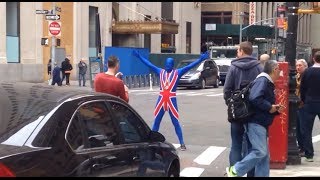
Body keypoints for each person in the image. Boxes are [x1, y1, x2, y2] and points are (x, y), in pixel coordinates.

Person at [133, 50, 209, 151]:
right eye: (166, 64)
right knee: (157, 121)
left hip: (171, 100)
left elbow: (190, 66)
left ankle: (182, 143)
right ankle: (151, 142)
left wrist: (200, 59)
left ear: (172, 65)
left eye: (169, 64)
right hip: (161, 100)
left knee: (175, 122)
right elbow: (149, 64)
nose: (167, 65)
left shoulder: (177, 73)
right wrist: (139, 57)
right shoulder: (161, 72)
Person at [226, 60, 284, 177]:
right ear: (275, 69)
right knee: (260, 151)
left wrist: (274, 109)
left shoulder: (264, 81)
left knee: (264, 156)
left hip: (259, 122)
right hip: (256, 122)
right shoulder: (263, 80)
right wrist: (269, 107)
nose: (280, 73)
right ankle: (235, 170)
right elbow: (254, 98)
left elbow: (259, 100)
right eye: (279, 69)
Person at [223, 41, 263, 176]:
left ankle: (234, 172)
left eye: (238, 50)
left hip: (237, 111)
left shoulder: (233, 67)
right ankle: (250, 174)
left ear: (241, 51)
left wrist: (231, 103)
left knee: (236, 144)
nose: (237, 52)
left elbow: (227, 89)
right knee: (252, 146)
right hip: (254, 112)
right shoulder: (259, 68)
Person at [300, 51, 320, 162]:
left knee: (306, 129)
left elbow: (303, 87)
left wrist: (303, 100)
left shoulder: (307, 72)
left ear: (313, 59)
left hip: (309, 102)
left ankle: (309, 154)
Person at [295, 59, 308, 157]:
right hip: (296, 104)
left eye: (300, 65)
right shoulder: (297, 76)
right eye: (297, 65)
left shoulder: (306, 76)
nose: (298, 67)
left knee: (303, 128)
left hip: (304, 104)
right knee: (297, 128)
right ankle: (301, 146)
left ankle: (305, 148)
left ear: (305, 66)